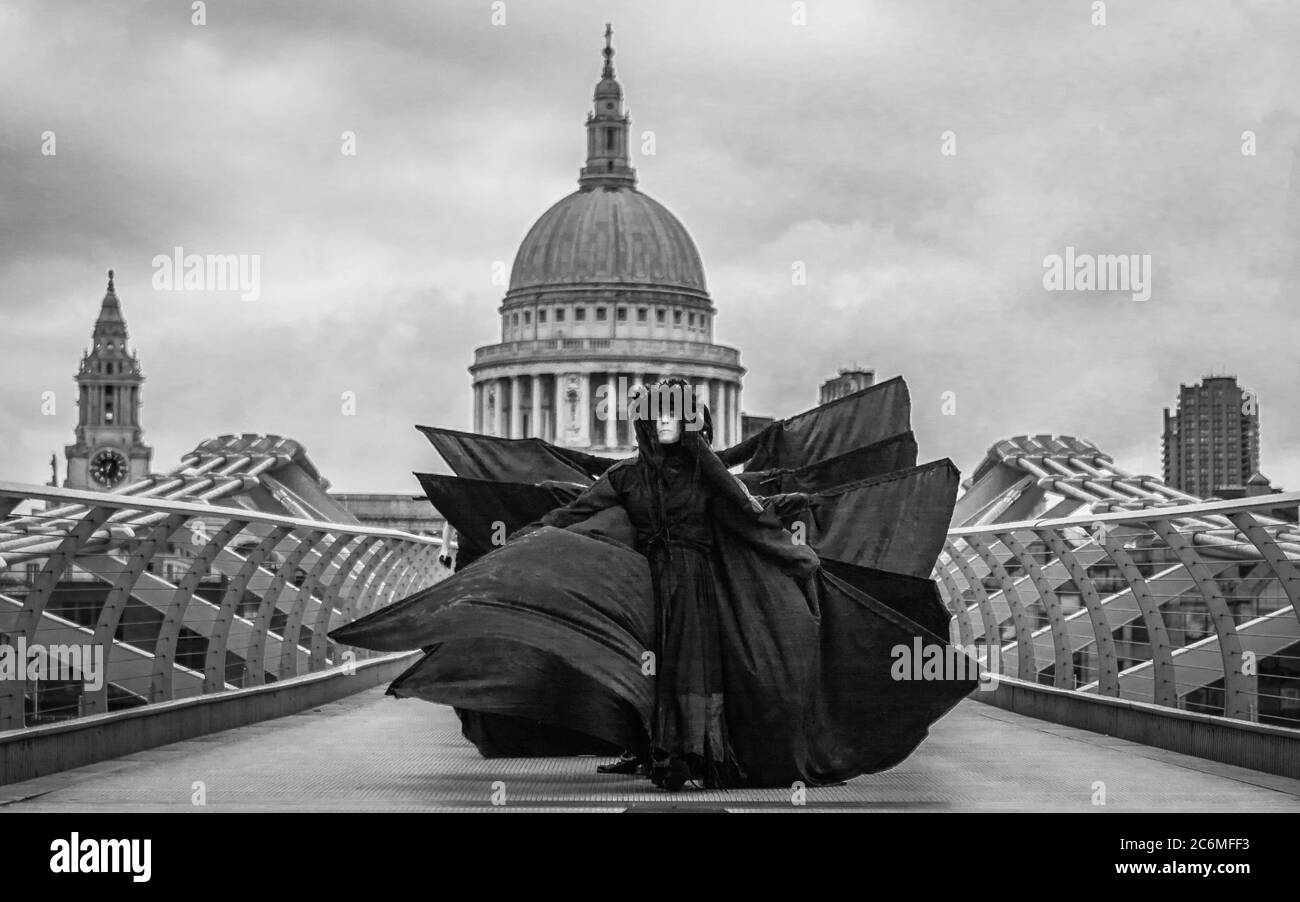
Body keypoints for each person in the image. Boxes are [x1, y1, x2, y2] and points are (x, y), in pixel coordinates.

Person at [534, 379, 747, 789]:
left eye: (674, 413)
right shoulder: (626, 476)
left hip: (693, 581)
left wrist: (792, 547)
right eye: (658, 414)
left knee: (693, 666)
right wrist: (529, 538)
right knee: (647, 666)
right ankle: (662, 754)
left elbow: (749, 520)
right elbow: (576, 514)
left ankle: (700, 753)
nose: (665, 422)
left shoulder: (708, 475)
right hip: (643, 583)